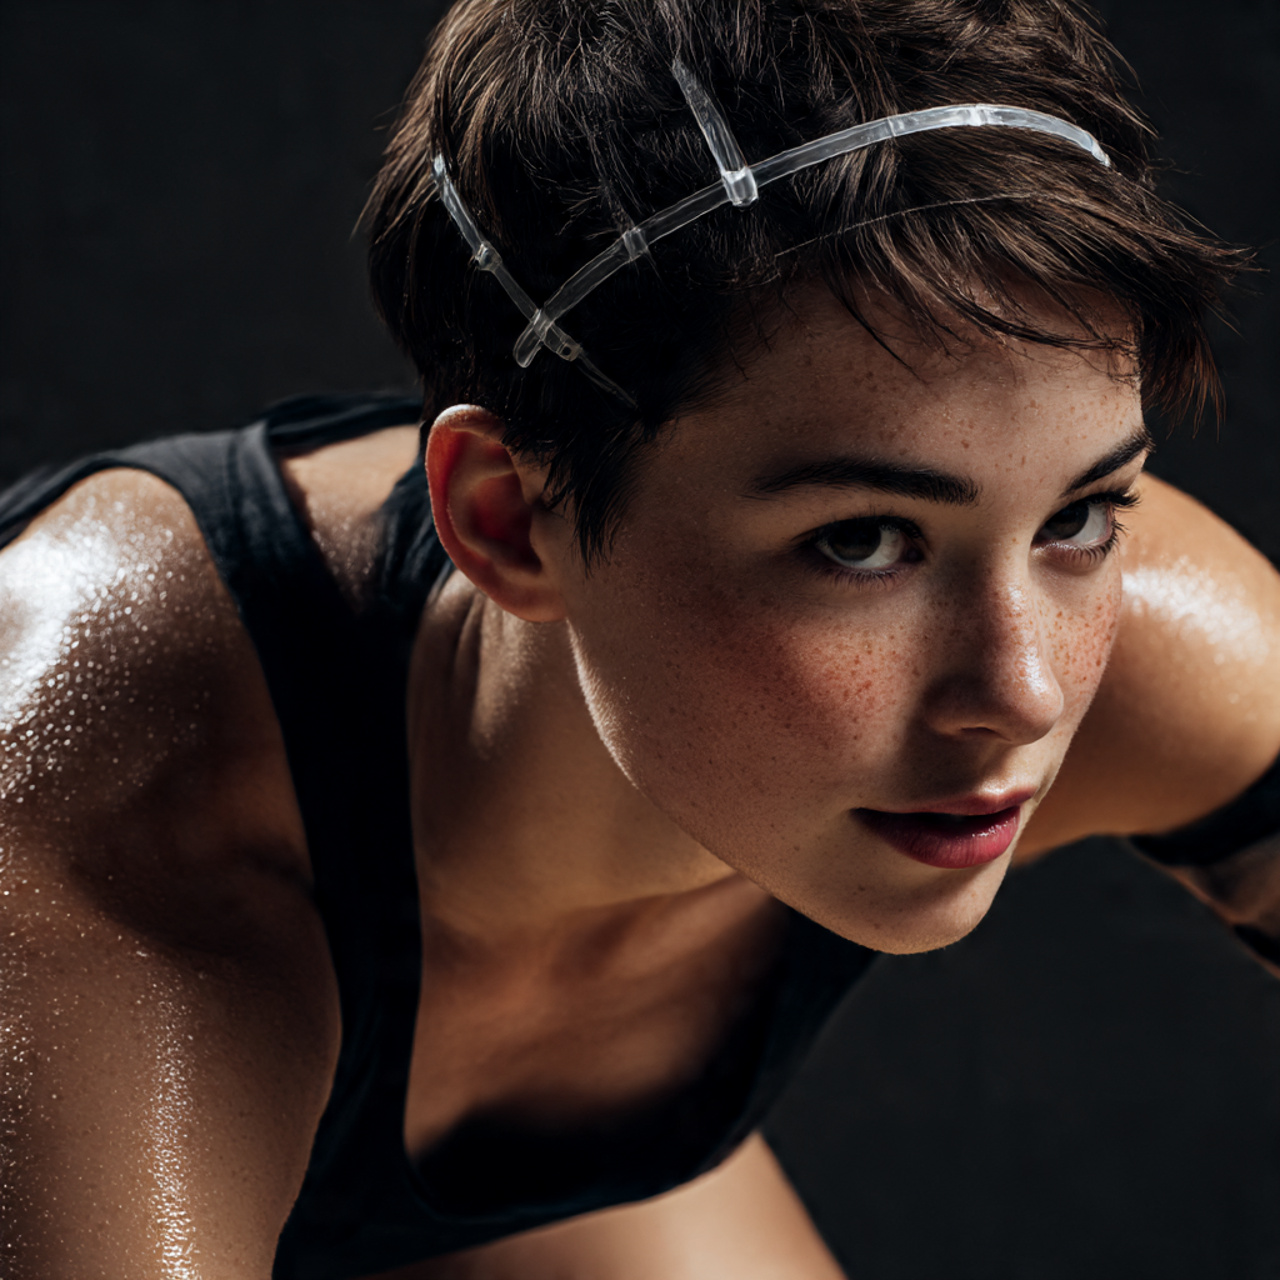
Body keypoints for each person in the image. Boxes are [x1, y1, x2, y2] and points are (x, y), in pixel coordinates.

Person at [1, 1, 1277, 1277]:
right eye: (860, 542)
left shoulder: (1157, 650)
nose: (1023, 688)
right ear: (506, 520)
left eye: (1080, 513)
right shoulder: (120, 872)